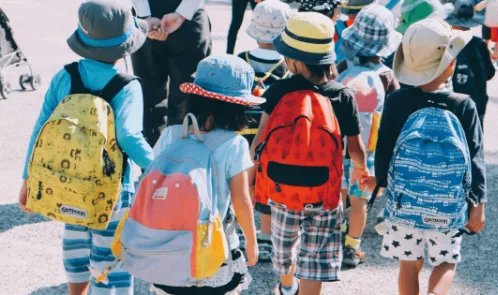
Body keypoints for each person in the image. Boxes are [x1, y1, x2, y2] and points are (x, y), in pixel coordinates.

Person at [18, 1, 154, 294]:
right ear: (124, 47)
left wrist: (28, 179)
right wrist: (157, 166)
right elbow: (129, 136)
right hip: (113, 191)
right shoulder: (127, 86)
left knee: (76, 248)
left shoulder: (65, 75)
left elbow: (41, 128)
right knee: (110, 259)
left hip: (65, 185)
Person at [251, 12, 368, 295]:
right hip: (324, 193)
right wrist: (361, 171)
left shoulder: (277, 90)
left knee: (283, 252)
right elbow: (355, 146)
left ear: (293, 60)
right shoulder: (342, 95)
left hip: (281, 191)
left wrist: (254, 174)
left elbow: (258, 143)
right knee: (314, 260)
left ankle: (288, 285)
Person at [375, 18, 486, 295]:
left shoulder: (397, 101)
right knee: (447, 262)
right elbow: (475, 158)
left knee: (409, 265)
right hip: (447, 208)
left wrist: (383, 184)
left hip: (405, 206)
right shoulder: (464, 105)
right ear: (449, 64)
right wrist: (477, 204)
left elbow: (384, 149)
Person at [150, 55, 261, 295]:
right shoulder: (234, 144)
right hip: (214, 247)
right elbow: (241, 200)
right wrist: (252, 242)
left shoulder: (170, 134)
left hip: (167, 246)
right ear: (237, 106)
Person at [336, 4, 402, 268]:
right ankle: (352, 246)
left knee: (337, 195)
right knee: (359, 200)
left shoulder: (342, 67)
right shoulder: (387, 76)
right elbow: (393, 113)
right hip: (368, 151)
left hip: (338, 148)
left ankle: (331, 238)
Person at [236, 0, 292, 263]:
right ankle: (267, 236)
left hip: (240, 133)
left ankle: (235, 233)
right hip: (273, 136)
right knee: (268, 186)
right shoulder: (289, 67)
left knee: (241, 184)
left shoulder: (240, 61)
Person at [131, 0, 212, 146]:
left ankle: (152, 162)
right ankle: (180, 160)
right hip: (188, 16)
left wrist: (144, 15)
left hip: (154, 13)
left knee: (152, 98)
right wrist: (182, 13)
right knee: (186, 99)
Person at [446, 0, 496, 126]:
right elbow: (489, 73)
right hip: (476, 103)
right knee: (475, 138)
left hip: (451, 104)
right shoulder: (478, 44)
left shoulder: (446, 44)